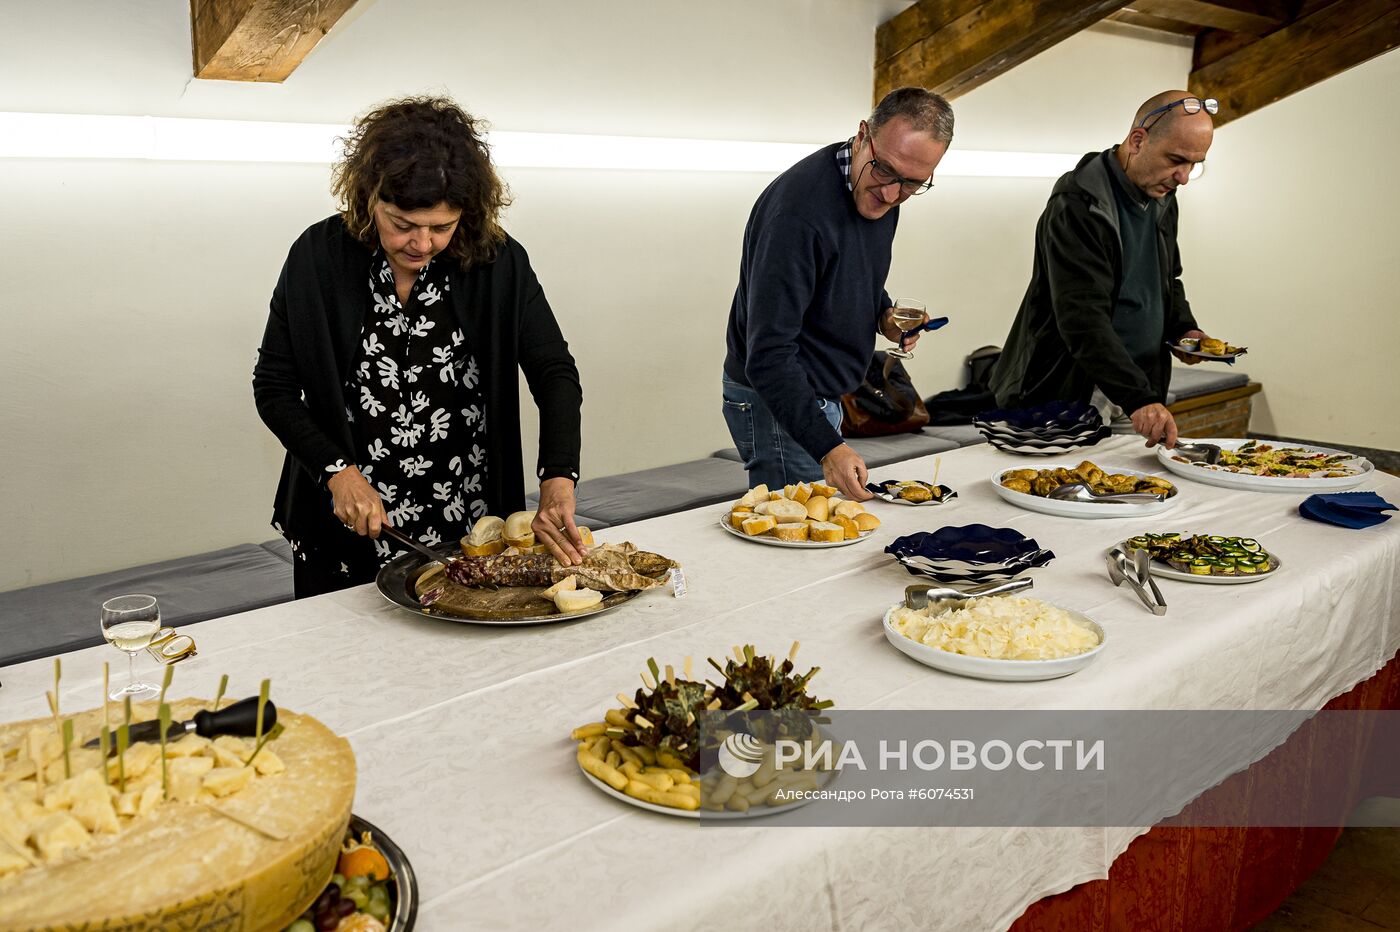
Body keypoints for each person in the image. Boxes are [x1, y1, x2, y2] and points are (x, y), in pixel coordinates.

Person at [253, 96, 585, 598]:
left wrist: (559, 476)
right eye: (403, 224)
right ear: (369, 198)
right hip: (348, 520)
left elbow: (554, 370)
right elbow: (274, 387)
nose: (423, 243)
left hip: (471, 525)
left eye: (441, 227)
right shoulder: (316, 258)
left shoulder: (499, 262)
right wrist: (336, 472)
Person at [722, 87, 954, 500]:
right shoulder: (797, 216)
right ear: (863, 135)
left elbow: (845, 269)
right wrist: (828, 446)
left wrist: (883, 313)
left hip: (822, 391)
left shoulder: (884, 183)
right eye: (884, 171)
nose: (890, 194)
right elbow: (769, 354)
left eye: (912, 184)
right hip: (779, 397)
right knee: (798, 542)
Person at [990, 90, 1220, 448]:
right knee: (1062, 492)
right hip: (1072, 389)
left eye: (1195, 163)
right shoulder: (1078, 203)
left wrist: (1185, 329)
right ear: (1138, 140)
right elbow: (1082, 317)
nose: (1184, 177)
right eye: (1177, 160)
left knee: (1133, 491)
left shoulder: (1162, 196)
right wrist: (1139, 399)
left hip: (1138, 384)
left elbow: (1167, 279)